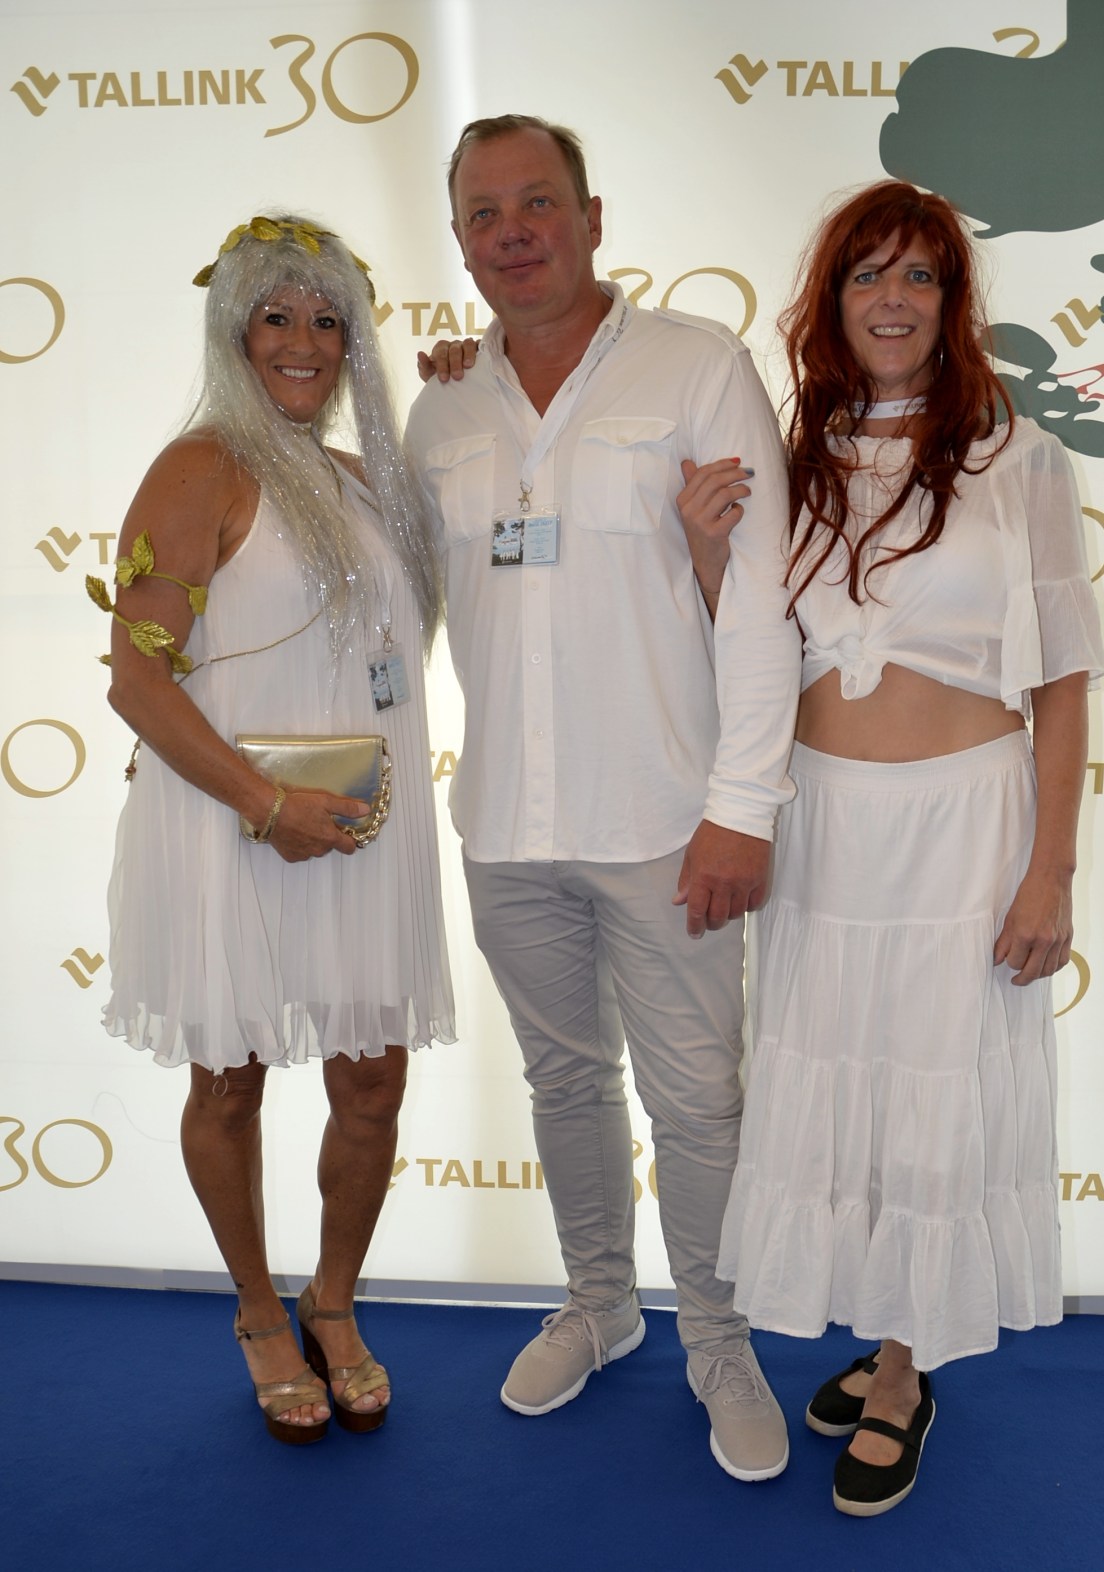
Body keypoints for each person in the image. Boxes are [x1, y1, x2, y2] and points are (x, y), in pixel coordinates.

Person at [681, 180, 1104, 1515]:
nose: (893, 298)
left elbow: (1064, 683)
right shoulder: (796, 453)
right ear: (834, 299)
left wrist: (1051, 870)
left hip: (961, 830)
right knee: (845, 1088)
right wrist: (705, 553)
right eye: (868, 273)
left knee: (934, 1085)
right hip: (825, 830)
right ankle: (881, 1327)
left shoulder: (1017, 458)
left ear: (953, 302)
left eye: (920, 275)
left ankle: (907, 1370)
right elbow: (755, 644)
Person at [405, 115, 800, 1481]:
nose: (512, 232)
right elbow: (408, 605)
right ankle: (600, 1304)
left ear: (591, 218)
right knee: (564, 1081)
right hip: (506, 824)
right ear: (461, 242)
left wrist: (743, 807)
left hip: (668, 822)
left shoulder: (698, 366)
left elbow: (760, 603)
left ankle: (719, 1339)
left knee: (699, 1104)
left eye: (537, 203)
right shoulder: (442, 407)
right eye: (483, 213)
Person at [97, 214, 455, 1444]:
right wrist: (263, 802)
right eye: (275, 316)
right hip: (235, 825)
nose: (303, 341)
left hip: (354, 823)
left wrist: (469, 381)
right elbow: (135, 683)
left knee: (373, 1083)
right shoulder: (199, 467)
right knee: (230, 1081)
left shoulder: (364, 477)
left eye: (327, 319)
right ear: (233, 331)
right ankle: (258, 1311)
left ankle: (332, 1301)